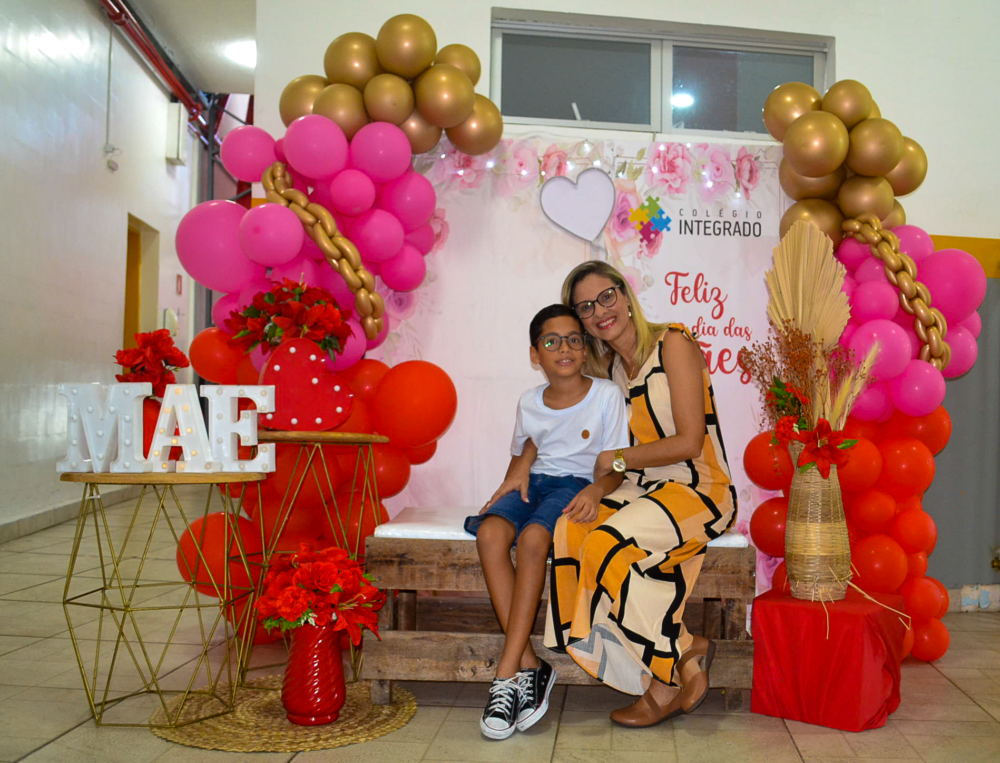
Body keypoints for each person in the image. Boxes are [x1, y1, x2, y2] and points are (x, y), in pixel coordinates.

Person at [514, 261, 737, 726]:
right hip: (643, 489)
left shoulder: (673, 342)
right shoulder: (609, 372)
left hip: (698, 486)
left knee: (607, 543)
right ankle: (683, 649)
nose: (600, 311)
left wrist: (616, 461)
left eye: (606, 297)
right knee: (571, 528)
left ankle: (665, 678)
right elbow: (549, 426)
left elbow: (689, 441)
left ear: (626, 294)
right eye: (586, 307)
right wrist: (526, 469)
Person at [465, 303, 629, 740]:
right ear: (535, 354)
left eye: (574, 339)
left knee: (535, 538)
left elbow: (617, 464)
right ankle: (531, 667)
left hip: (576, 485)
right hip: (535, 483)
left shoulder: (606, 395)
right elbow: (524, 453)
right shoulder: (528, 401)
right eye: (551, 342)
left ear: (585, 348)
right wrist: (510, 481)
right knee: (490, 533)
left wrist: (596, 490)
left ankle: (506, 674)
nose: (564, 349)